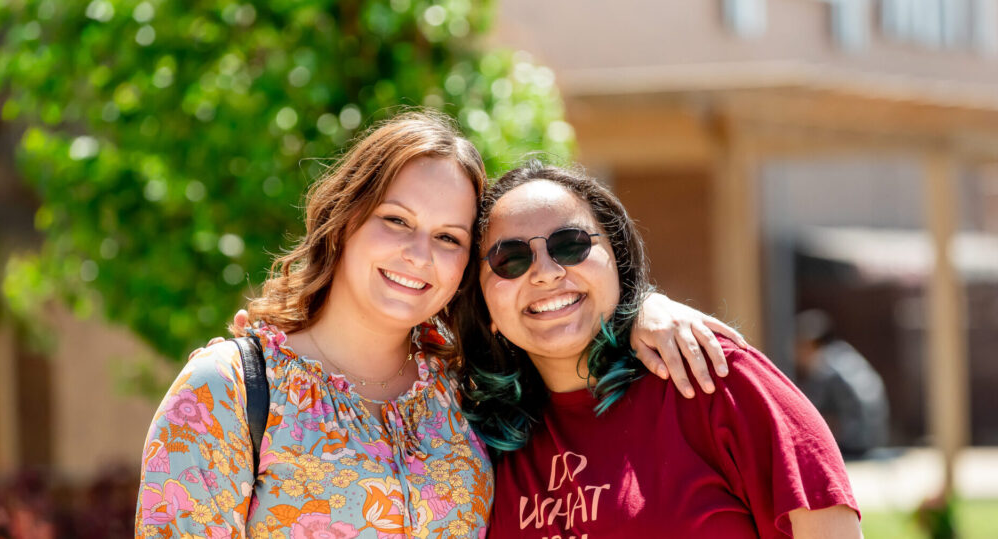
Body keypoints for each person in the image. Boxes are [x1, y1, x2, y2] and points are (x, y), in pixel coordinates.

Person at [135, 112, 744, 538]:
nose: (418, 255)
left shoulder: (474, 390)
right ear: (344, 221)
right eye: (396, 221)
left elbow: (567, 323)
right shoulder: (228, 391)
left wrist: (643, 307)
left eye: (449, 237)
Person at [459, 162, 862, 538]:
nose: (546, 273)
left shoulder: (710, 374)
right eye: (509, 259)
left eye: (570, 245)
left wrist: (644, 301)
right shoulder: (475, 439)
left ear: (617, 260)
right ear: (482, 300)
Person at [795, 309, 889, 459]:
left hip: (850, 442)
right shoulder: (842, 353)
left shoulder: (824, 366)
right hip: (872, 437)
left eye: (799, 346)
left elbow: (808, 411)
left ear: (811, 343)